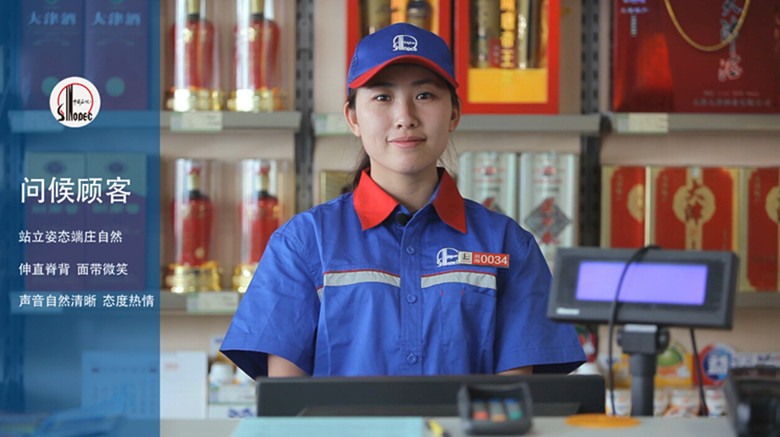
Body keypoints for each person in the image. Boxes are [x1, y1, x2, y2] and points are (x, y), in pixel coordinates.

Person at [220, 22, 585, 378]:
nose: (405, 117)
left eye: (424, 95)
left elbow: (514, 401)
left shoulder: (508, 246)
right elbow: (286, 403)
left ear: (454, 113)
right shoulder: (302, 243)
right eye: (382, 97)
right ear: (352, 118)